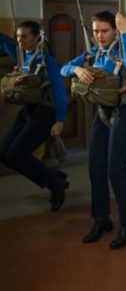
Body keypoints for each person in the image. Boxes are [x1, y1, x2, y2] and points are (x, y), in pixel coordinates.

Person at [61, 11, 126, 248]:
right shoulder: (92, 55)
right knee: (95, 167)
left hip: (125, 112)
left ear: (114, 31)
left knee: (115, 169)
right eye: (96, 31)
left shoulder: (122, 52)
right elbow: (62, 68)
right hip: (102, 114)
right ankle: (101, 218)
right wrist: (76, 70)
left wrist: (125, 31)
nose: (99, 35)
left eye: (104, 31)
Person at [0, 21, 69, 211]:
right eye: (18, 36)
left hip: (47, 111)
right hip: (29, 111)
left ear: (36, 38)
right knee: (4, 154)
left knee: (16, 154)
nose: (19, 40)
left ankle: (55, 185)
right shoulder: (21, 55)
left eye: (24, 36)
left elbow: (59, 90)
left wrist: (60, 120)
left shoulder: (46, 61)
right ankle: (53, 176)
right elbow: (3, 41)